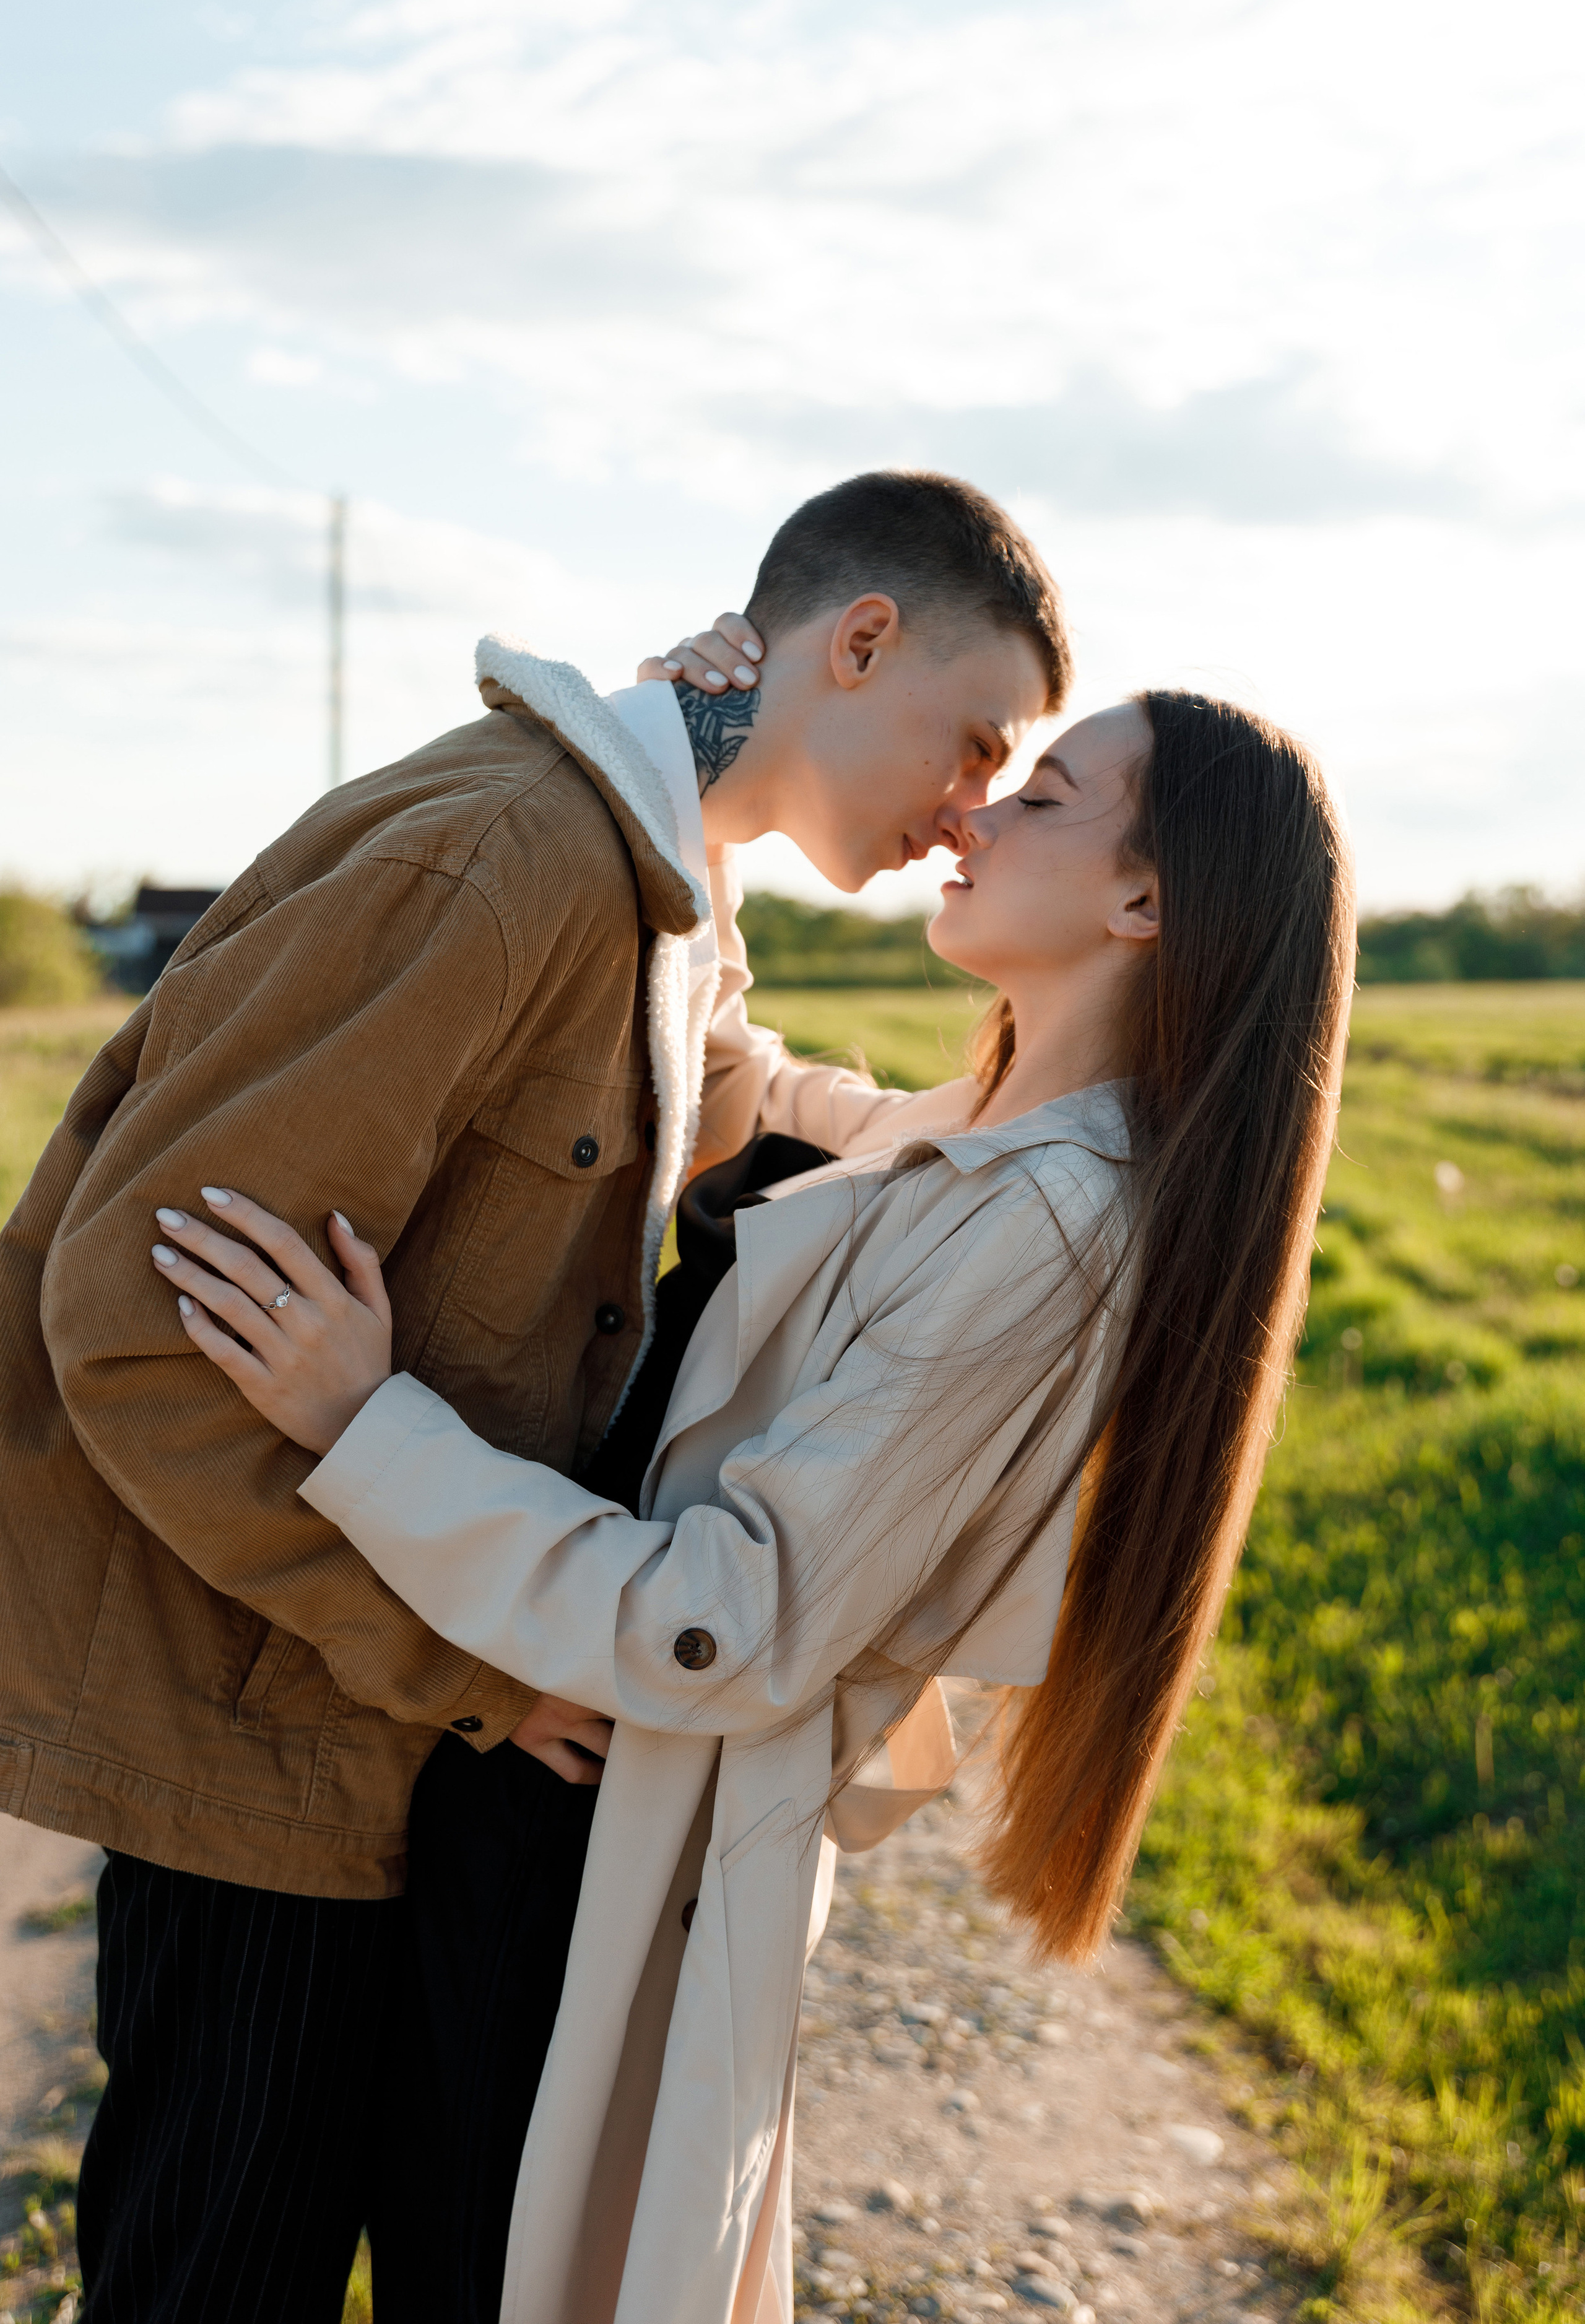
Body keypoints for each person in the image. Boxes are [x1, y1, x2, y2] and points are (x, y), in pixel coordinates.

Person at [0, 468, 1069, 2324]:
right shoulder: (503, 859)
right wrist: (477, 1667)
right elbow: (138, 1326)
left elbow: (718, 1089)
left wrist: (1028, 1125)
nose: (972, 804)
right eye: (974, 740)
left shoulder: (659, 876)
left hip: (373, 1732)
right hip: (257, 1731)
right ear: (860, 641)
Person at [152, 689, 1357, 2324]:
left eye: (1046, 797)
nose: (978, 814)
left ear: (1142, 898)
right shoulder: (979, 1140)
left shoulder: (1056, 1224)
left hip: (612, 1812)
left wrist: (364, 1426)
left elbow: (724, 1621)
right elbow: (745, 1081)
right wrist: (702, 768)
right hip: (570, 1766)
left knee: (488, 2269)